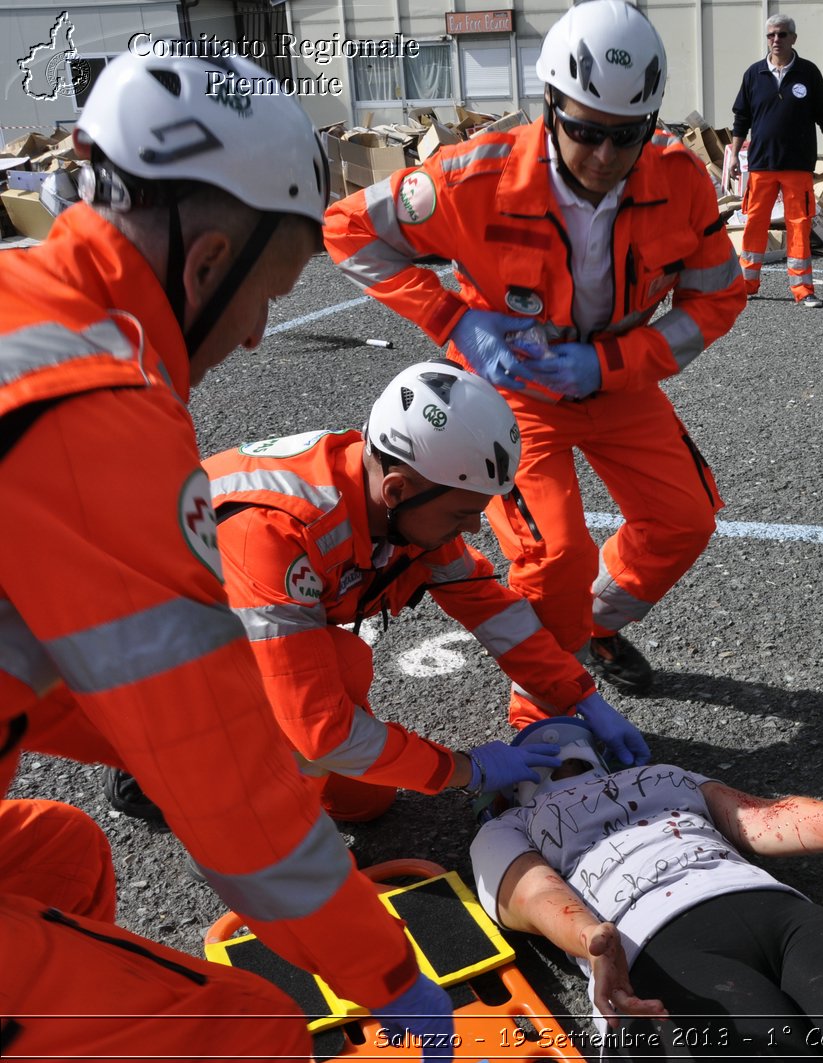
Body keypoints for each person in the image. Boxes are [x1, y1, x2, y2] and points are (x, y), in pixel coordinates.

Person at [0, 53, 452, 1059]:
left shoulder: (23, 309)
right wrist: (380, 967)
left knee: (63, 855)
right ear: (205, 265)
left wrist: (167, 739)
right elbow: (230, 793)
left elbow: (80, 678)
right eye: (271, 294)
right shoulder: (93, 412)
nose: (254, 339)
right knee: (248, 1029)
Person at [325, 0, 745, 708]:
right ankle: (543, 716)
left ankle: (592, 629)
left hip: (616, 379)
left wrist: (610, 364)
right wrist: (456, 324)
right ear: (549, 103)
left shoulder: (680, 181)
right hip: (514, 394)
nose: (606, 156)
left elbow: (717, 300)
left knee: (684, 520)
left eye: (626, 135)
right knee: (552, 558)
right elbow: (346, 230)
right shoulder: (472, 178)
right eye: (585, 131)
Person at [107, 362, 651, 827]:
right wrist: (466, 770)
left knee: (365, 801)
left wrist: (582, 698)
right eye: (465, 513)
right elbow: (323, 731)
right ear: (396, 490)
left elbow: (492, 611)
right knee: (329, 708)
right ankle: (171, 768)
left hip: (235, 623)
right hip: (157, 652)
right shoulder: (271, 534)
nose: (475, 529)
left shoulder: (402, 502)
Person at [471, 716, 823, 1057]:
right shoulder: (507, 827)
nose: (563, 764)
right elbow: (531, 892)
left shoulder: (661, 776)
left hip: (777, 914)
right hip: (651, 942)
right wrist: (590, 938)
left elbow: (757, 816)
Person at [727, 13, 823, 309]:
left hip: (797, 166)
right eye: (771, 35)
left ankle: (803, 288)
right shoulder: (754, 74)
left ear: (793, 38)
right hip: (761, 165)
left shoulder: (808, 73)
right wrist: (732, 155)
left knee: (799, 225)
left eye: (781, 34)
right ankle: (747, 284)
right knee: (754, 222)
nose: (775, 40)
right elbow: (741, 118)